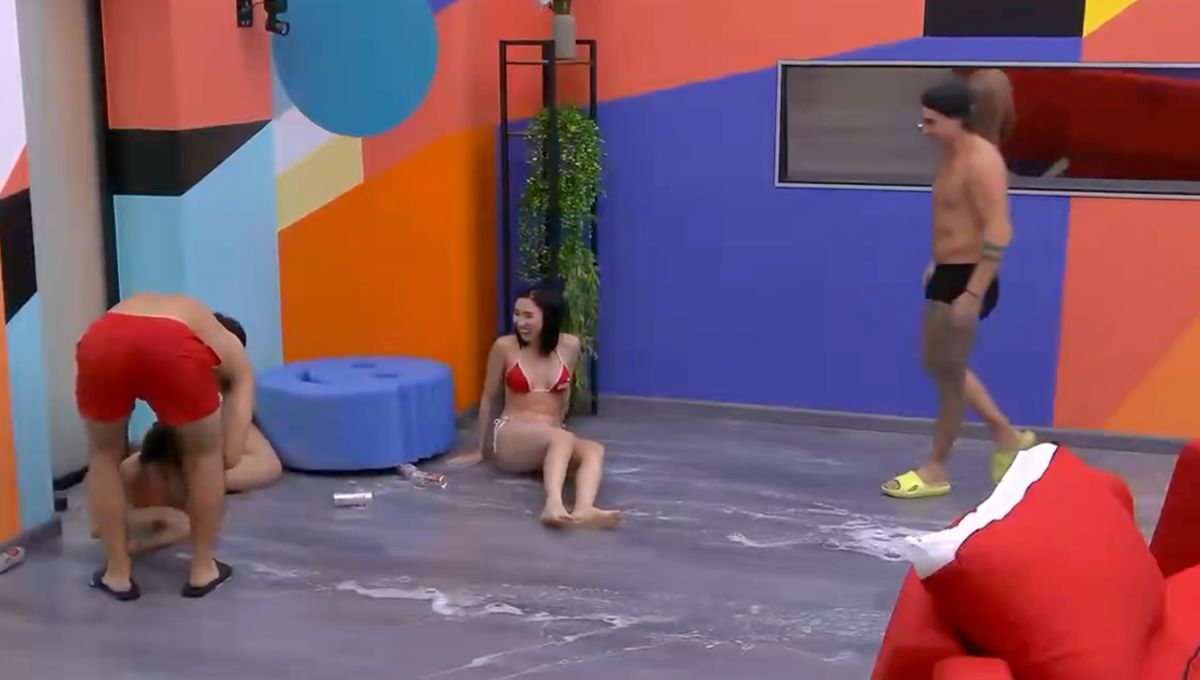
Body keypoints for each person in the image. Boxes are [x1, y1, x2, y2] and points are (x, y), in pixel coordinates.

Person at [882, 76, 1036, 499]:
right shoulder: (955, 153)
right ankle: (1006, 436)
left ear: (958, 120)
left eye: (932, 122)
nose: (926, 130)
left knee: (949, 376)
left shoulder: (981, 162)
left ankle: (936, 468)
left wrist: (972, 294)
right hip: (950, 273)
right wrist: (937, 263)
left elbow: (999, 231)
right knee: (938, 364)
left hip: (969, 278)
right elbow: (956, 219)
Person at [76, 292, 254, 600]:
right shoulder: (233, 356)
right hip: (168, 342)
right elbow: (230, 454)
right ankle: (203, 569)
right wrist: (203, 449)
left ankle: (117, 573)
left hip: (103, 338)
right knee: (205, 456)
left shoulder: (187, 316)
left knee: (103, 455)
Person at [453, 285, 621, 529]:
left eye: (528, 316)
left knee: (594, 450)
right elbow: (489, 397)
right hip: (511, 434)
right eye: (517, 314)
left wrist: (559, 424)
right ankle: (553, 505)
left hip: (548, 438)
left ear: (549, 317)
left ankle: (584, 509)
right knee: (561, 438)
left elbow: (565, 393)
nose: (520, 322)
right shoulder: (505, 347)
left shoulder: (570, 346)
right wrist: (479, 449)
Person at [91, 420, 282, 555]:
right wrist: (161, 515)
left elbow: (270, 466)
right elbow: (98, 527)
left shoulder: (205, 472)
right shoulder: (129, 473)